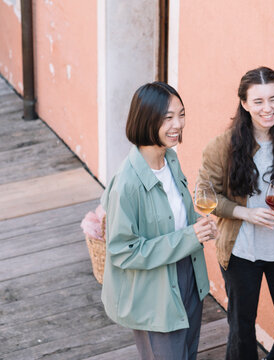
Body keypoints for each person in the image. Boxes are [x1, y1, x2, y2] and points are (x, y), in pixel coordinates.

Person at [198, 66, 274, 360]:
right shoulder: (222, 146)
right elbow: (204, 196)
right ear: (244, 104)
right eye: (259, 101)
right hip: (241, 252)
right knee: (242, 333)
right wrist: (244, 213)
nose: (268, 108)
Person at [100, 82, 217, 360]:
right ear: (146, 120)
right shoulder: (126, 184)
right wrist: (191, 237)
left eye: (181, 114)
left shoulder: (171, 159)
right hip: (154, 289)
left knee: (188, 353)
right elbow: (122, 251)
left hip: (188, 271)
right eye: (167, 117)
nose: (178, 124)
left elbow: (173, 218)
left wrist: (198, 225)